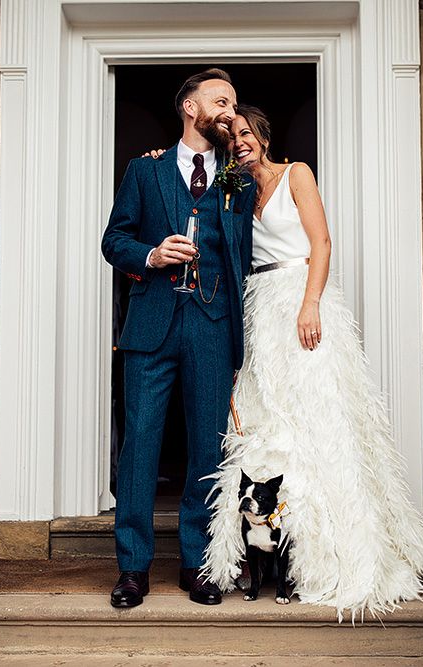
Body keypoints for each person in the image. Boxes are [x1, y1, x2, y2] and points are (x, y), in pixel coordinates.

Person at [199, 104, 423, 621]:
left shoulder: (297, 174)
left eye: (245, 133)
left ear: (262, 136)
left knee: (321, 421)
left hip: (300, 298)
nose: (239, 142)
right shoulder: (234, 193)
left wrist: (310, 303)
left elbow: (321, 242)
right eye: (231, 138)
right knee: (267, 422)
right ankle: (273, 552)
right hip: (259, 309)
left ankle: (339, 556)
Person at [101, 69, 256, 608]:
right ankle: (133, 569)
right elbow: (113, 239)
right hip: (151, 325)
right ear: (189, 107)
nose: (228, 110)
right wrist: (149, 255)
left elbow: (248, 254)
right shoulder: (144, 172)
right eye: (219, 100)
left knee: (208, 451)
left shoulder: (239, 179)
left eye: (232, 103)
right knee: (139, 445)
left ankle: (199, 563)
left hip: (212, 326)